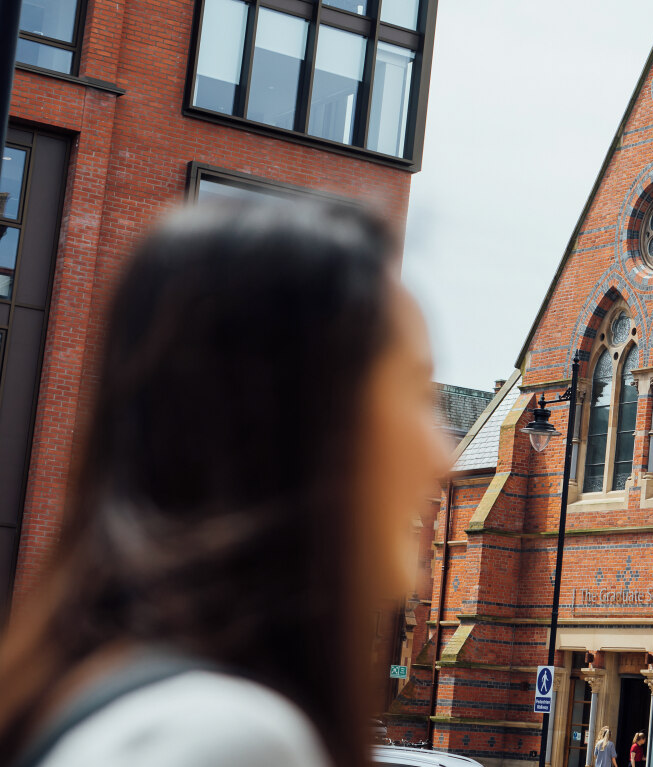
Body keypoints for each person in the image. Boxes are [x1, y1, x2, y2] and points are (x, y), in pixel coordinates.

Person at [0, 200, 453, 767]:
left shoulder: (102, 683)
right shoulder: (228, 737)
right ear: (295, 416)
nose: (443, 458)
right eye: (414, 391)